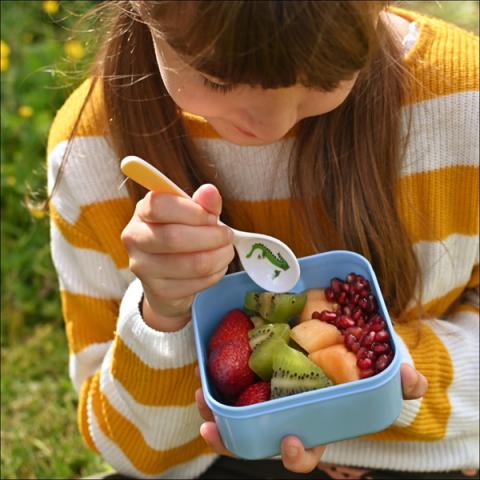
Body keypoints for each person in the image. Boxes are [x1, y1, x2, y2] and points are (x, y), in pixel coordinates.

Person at [46, 1, 479, 478]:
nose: (271, 126)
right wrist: (160, 319)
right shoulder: (89, 151)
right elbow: (134, 453)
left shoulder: (464, 103)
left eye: (322, 77)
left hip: (425, 449)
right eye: (218, 79)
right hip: (208, 460)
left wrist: (374, 377)